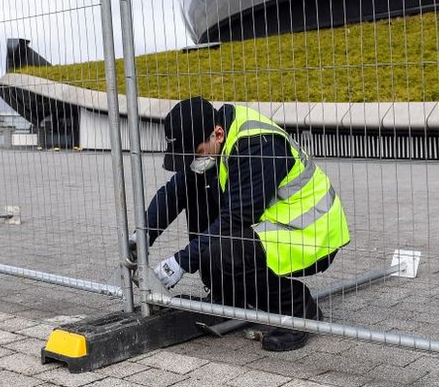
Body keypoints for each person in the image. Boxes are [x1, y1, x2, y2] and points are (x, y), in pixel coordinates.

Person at [133, 97, 350, 352]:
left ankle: (299, 309)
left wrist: (180, 262)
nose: (194, 161)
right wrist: (141, 236)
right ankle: (229, 299)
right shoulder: (215, 140)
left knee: (222, 252)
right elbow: (174, 193)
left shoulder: (257, 147)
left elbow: (235, 219)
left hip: (309, 232)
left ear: (218, 134)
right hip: (274, 224)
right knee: (198, 193)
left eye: (197, 153)